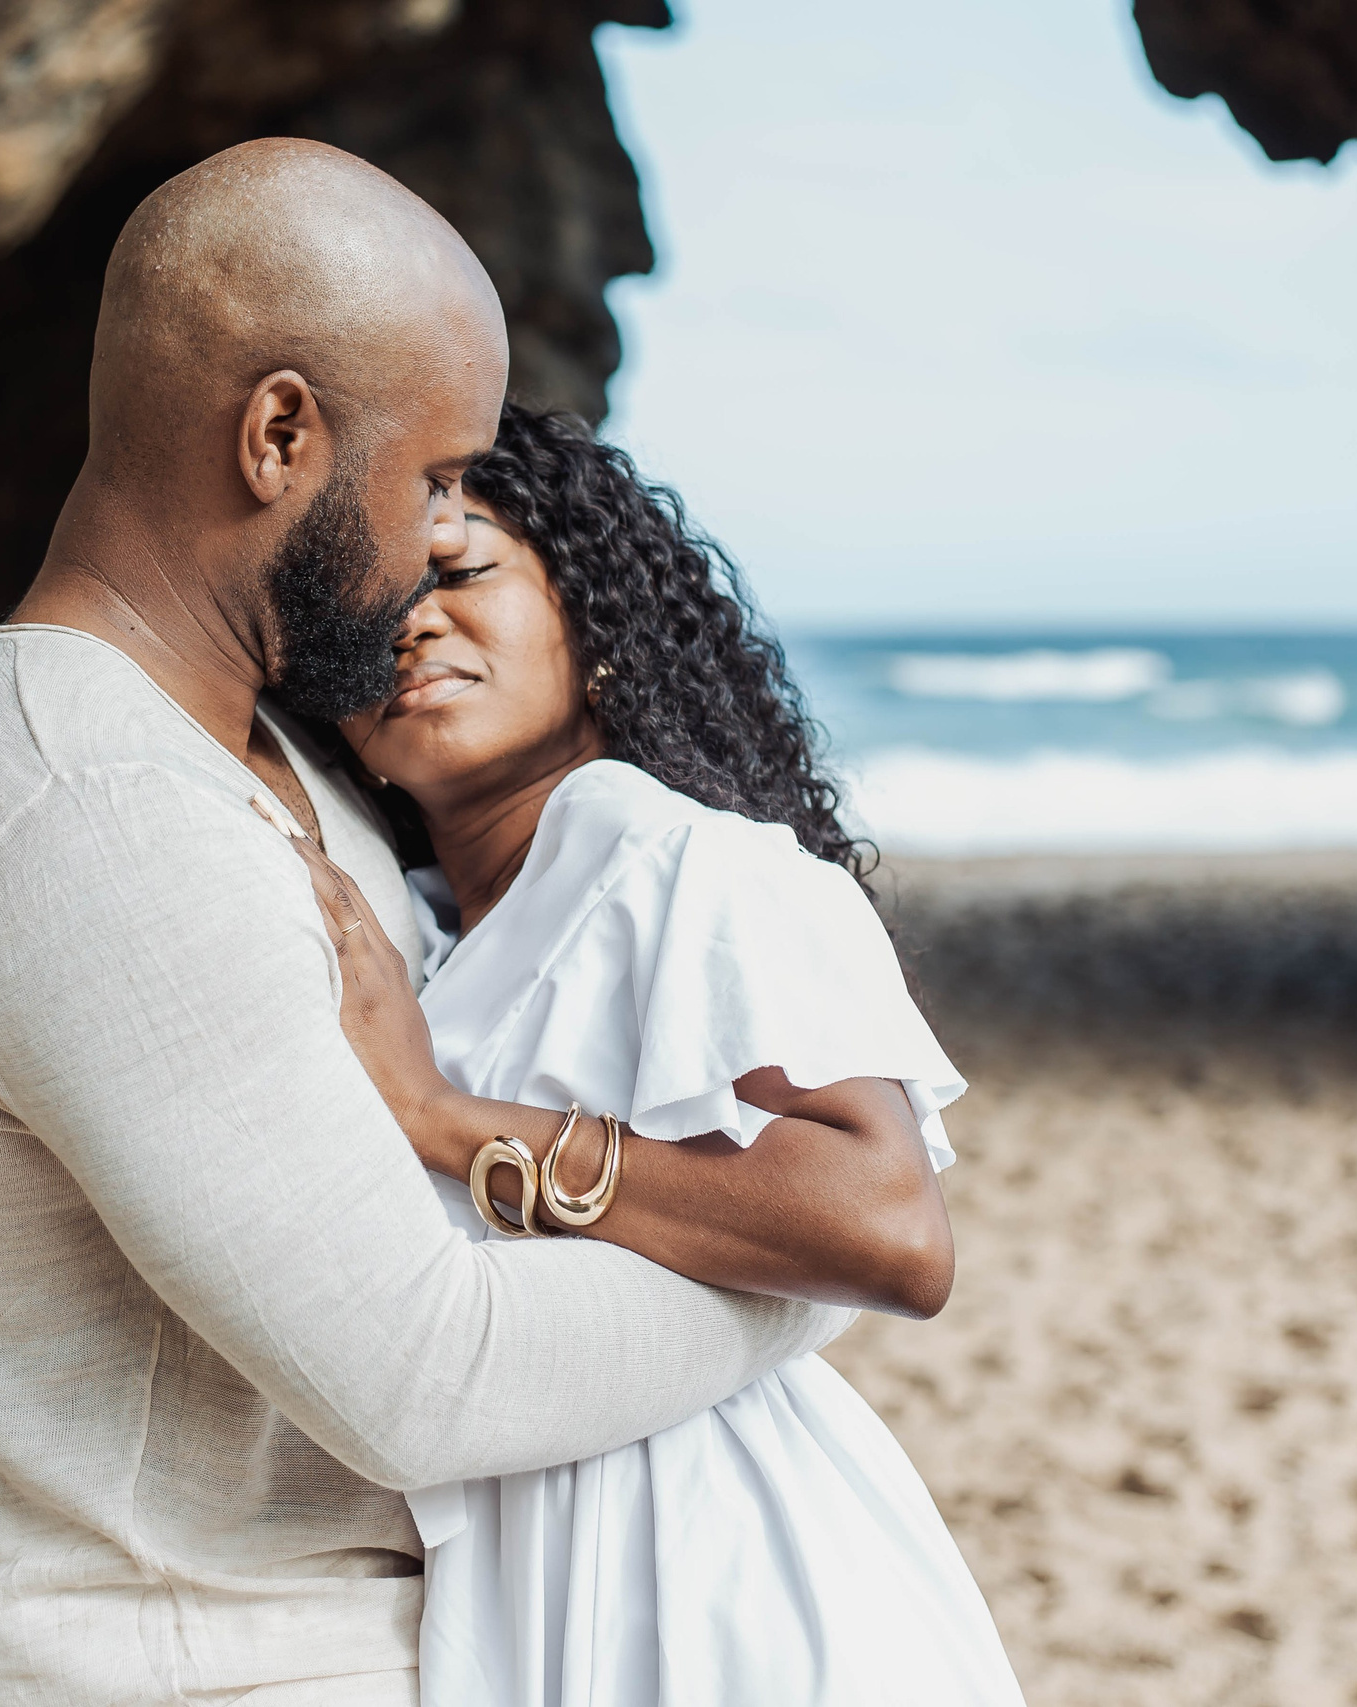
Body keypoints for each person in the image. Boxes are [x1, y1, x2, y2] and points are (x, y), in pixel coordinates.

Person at [0, 141, 856, 1705]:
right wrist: (803, 1279)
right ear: (279, 437)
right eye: (434, 478)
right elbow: (425, 1378)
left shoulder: (259, 748)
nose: (438, 533)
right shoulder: (89, 810)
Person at [280, 404, 1029, 1705]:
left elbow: (890, 1226)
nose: (410, 624)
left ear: (598, 623)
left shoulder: (692, 865)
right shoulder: (430, 940)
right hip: (520, 1584)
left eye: (460, 573)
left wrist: (440, 1116)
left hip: (724, 1575)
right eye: (374, 604)